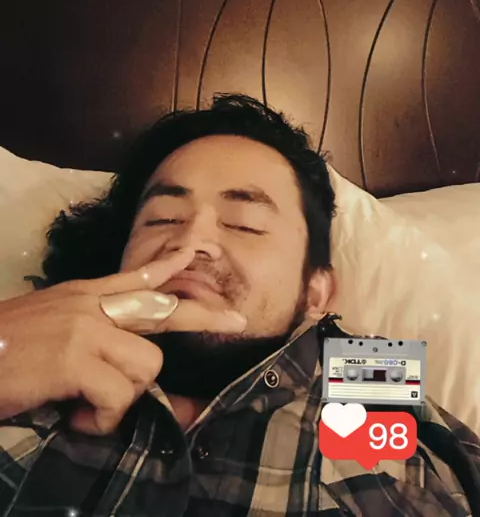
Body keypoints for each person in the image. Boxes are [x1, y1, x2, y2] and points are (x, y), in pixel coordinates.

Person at [0, 94, 478, 517]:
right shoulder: (33, 354)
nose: (191, 241)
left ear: (316, 292)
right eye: (162, 219)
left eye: (245, 223)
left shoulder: (365, 365)